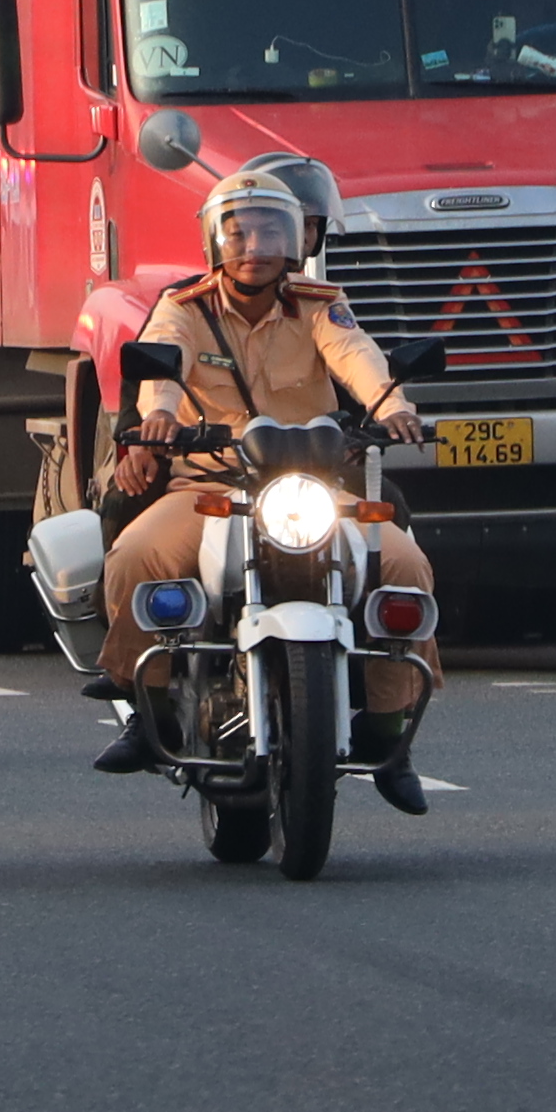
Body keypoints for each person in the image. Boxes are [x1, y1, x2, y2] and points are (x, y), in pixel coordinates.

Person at [92, 163, 440, 812]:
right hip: (207, 487)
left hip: (311, 485)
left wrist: (393, 406)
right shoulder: (184, 307)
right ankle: (152, 712)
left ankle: (391, 736)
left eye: (270, 233)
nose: (254, 247)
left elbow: (356, 354)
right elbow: (163, 359)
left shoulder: (317, 304)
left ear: (297, 239)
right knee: (136, 556)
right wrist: (161, 413)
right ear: (214, 242)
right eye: (239, 234)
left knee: (403, 564)